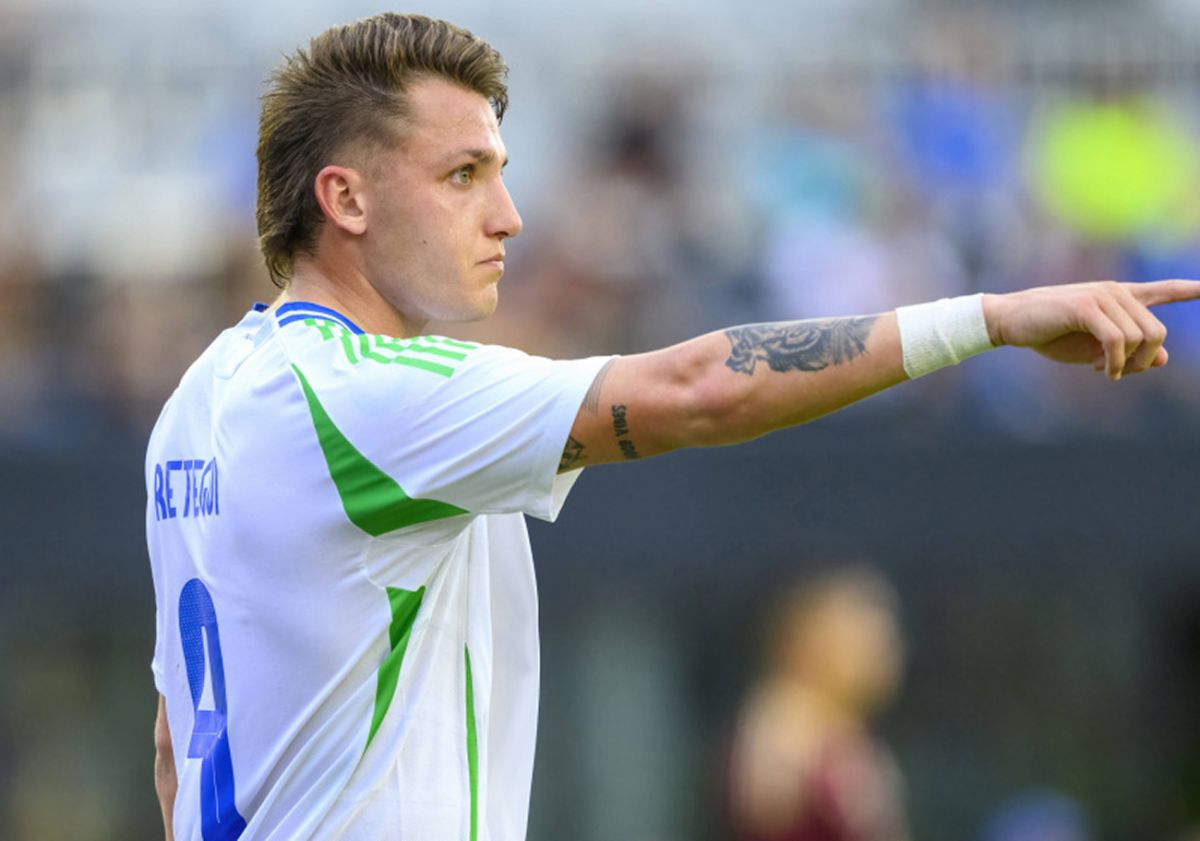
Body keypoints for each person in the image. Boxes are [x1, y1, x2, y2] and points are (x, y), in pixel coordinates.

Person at [145, 13, 1200, 841]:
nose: (508, 214)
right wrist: (990, 318)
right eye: (463, 174)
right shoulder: (371, 396)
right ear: (345, 199)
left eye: (501, 172)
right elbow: (699, 388)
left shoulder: (199, 402)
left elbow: (172, 741)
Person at [727, 568, 909, 841]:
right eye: (864, 635)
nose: (883, 651)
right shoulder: (781, 719)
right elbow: (763, 809)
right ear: (814, 642)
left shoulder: (851, 736)